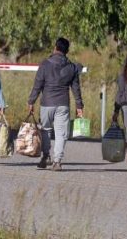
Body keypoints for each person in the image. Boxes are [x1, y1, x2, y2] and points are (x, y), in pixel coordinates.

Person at [27, 37, 84, 171]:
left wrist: (31, 101)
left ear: (55, 48)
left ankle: (46, 156)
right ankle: (57, 161)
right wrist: (79, 105)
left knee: (46, 130)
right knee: (61, 134)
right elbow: (76, 88)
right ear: (67, 51)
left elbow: (38, 84)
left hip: (46, 103)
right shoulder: (72, 67)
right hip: (63, 104)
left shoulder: (45, 64)